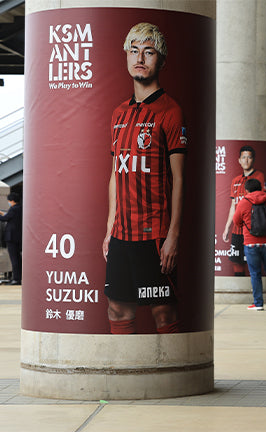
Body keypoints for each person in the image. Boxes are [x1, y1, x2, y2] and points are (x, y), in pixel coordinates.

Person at [102, 23, 187, 335]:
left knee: (163, 310)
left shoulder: (170, 111)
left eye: (148, 52)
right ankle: (125, 373)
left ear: (160, 61)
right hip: (122, 236)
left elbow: (179, 179)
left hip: (154, 235)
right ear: (126, 57)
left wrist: (173, 236)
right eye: (134, 50)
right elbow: (115, 173)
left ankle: (170, 378)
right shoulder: (118, 113)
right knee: (117, 306)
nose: (140, 57)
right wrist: (110, 228)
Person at [232, 178, 266, 311]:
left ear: (247, 190)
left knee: (255, 273)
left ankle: (258, 303)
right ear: (261, 188)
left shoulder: (244, 202)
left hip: (250, 243)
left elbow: (236, 221)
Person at [222, 145, 266, 276]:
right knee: (237, 260)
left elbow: (261, 200)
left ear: (253, 159)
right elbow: (233, 206)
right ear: (239, 160)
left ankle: (253, 290)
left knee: (253, 261)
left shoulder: (259, 176)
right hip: (237, 229)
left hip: (252, 228)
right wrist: (227, 228)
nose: (246, 160)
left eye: (249, 157)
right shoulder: (235, 180)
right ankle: (240, 287)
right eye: (244, 157)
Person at [0, 192, 22, 285]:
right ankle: (17, 277)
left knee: (14, 259)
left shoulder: (13, 209)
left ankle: (16, 279)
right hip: (18, 236)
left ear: (12, 201)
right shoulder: (20, 208)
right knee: (18, 258)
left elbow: (4, 219)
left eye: (9, 201)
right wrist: (2, 213)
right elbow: (10, 217)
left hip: (11, 237)